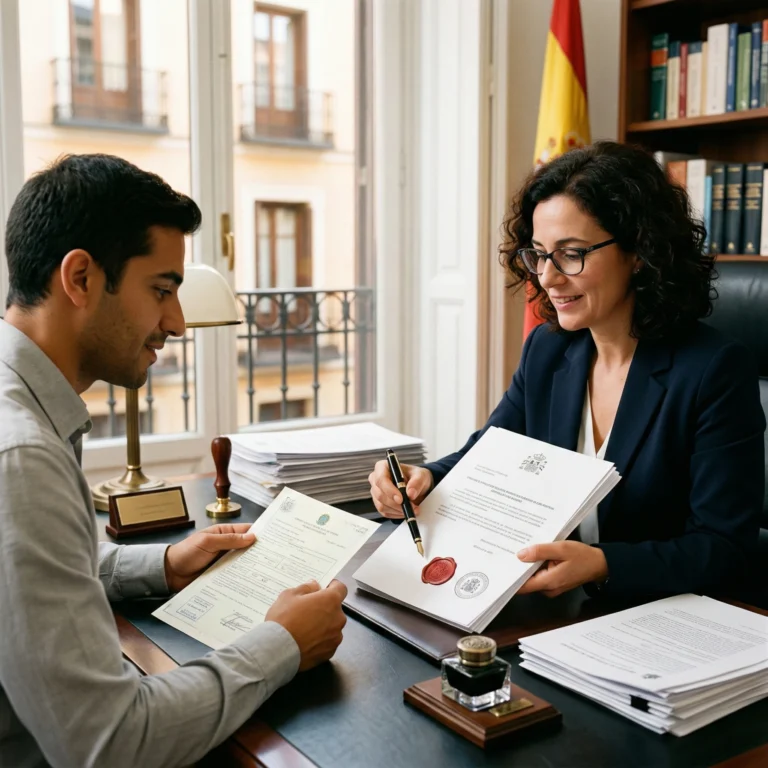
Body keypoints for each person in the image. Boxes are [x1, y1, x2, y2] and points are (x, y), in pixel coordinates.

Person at [0, 154, 347, 768]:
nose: (178, 323)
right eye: (161, 290)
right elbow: (112, 743)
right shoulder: (22, 457)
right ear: (80, 278)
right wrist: (283, 643)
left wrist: (161, 565)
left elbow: (32, 576)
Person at [369, 140, 765, 600]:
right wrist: (425, 478)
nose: (547, 277)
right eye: (538, 253)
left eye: (571, 253)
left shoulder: (713, 370)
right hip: (557, 611)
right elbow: (488, 454)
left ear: (639, 251)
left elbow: (724, 547)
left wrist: (603, 564)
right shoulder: (550, 349)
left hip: (657, 613)